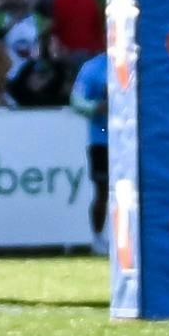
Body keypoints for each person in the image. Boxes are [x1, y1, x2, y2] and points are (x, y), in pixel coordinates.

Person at [69, 47, 109, 253]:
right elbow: (76, 100)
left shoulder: (136, 62)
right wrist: (96, 108)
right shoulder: (93, 67)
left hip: (133, 140)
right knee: (102, 191)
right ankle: (98, 237)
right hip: (102, 140)